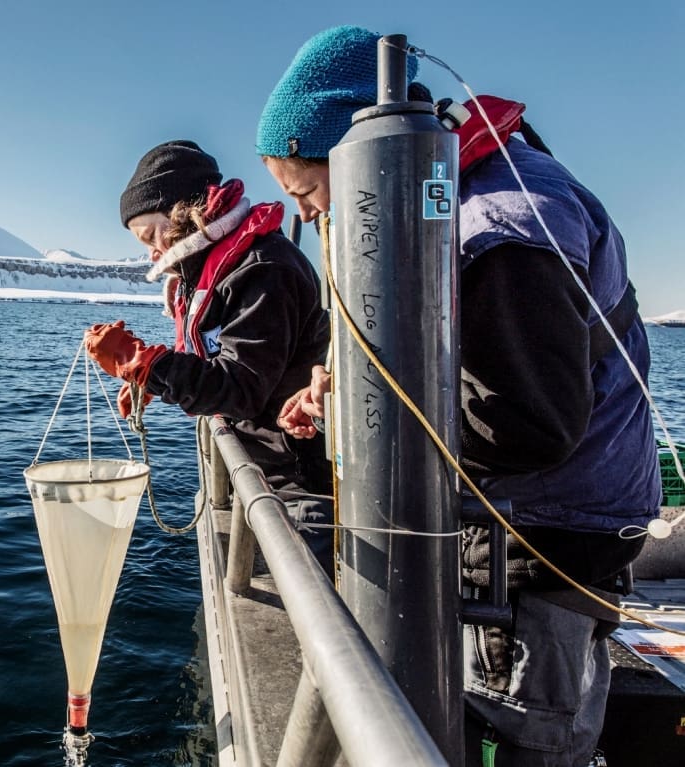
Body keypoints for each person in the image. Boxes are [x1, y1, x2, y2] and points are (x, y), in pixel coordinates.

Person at [255, 25, 661, 767]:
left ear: (353, 158)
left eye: (307, 194)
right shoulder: (456, 201)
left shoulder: (497, 228)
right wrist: (345, 383)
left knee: (526, 739)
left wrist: (355, 414)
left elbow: (523, 420)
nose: (309, 220)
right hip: (535, 528)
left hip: (542, 546)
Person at [83, 139, 334, 566]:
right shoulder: (221, 270)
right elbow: (217, 365)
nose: (152, 253)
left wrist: (146, 365)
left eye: (150, 236)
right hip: (262, 473)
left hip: (294, 486)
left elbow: (240, 388)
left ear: (182, 214)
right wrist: (153, 381)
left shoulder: (263, 270)